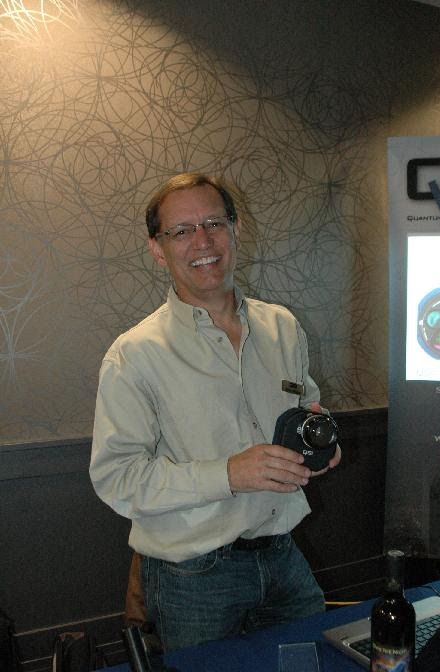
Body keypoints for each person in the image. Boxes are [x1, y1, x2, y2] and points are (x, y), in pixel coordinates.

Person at [89, 172, 341, 652]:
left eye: (213, 223)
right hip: (192, 577)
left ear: (236, 229)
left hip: (283, 554)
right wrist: (228, 473)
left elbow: (307, 406)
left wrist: (319, 442)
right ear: (158, 249)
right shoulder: (134, 354)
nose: (202, 241)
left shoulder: (283, 327)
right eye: (181, 231)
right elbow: (117, 478)